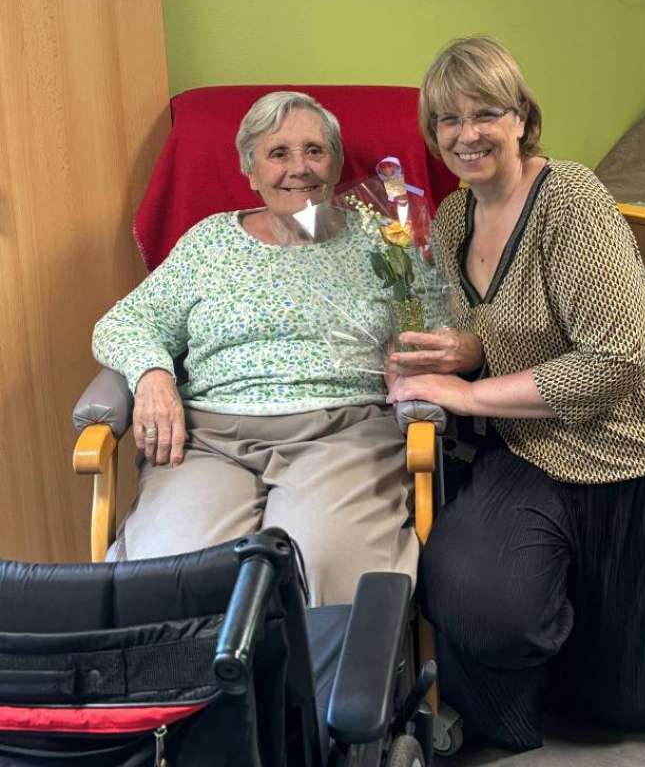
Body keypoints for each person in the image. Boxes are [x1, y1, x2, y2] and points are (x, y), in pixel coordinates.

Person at [386, 36, 645, 750]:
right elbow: (505, 321)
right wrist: (464, 349)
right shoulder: (455, 219)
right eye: (447, 120)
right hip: (537, 448)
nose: (466, 134)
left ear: (522, 117)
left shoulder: (571, 200)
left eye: (485, 113)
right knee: (478, 606)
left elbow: (616, 360)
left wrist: (466, 396)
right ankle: (602, 627)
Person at [93, 91, 418, 605]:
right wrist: (152, 374)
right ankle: (197, 664)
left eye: (315, 150)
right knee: (176, 572)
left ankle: (316, 664)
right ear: (250, 170)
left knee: (322, 564)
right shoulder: (209, 243)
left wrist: (412, 356)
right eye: (278, 153)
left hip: (343, 433)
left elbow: (429, 327)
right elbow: (125, 322)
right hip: (208, 440)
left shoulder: (383, 239)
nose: (299, 168)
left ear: (336, 165)